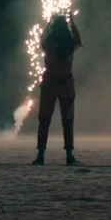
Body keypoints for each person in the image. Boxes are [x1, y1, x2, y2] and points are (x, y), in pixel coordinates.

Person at [33, 14, 82, 166]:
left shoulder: (48, 44)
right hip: (66, 84)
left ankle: (41, 154)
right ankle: (69, 155)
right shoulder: (69, 45)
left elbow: (41, 38)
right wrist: (72, 23)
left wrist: (49, 23)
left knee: (44, 120)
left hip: (49, 84)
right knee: (68, 120)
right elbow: (78, 40)